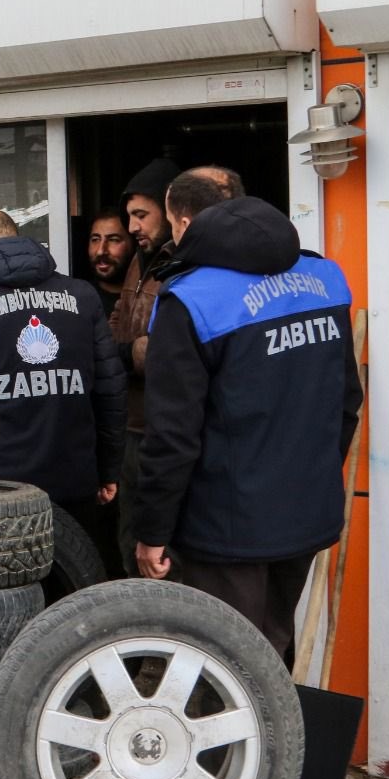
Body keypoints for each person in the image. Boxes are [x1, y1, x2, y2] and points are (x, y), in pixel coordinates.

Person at [133, 179, 362, 665]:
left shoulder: (190, 298)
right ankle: (279, 741)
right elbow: (346, 402)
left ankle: (241, 744)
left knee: (222, 670)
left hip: (225, 528)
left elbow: (172, 436)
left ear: (184, 224)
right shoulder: (324, 278)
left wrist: (153, 530)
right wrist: (313, 476)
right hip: (305, 513)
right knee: (273, 650)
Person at [0, 210, 124, 553]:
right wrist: (107, 470)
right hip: (75, 482)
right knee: (79, 594)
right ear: (16, 238)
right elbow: (110, 390)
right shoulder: (82, 296)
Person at [111, 163, 243, 574]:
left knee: (167, 553)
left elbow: (162, 356)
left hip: (169, 430)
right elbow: (116, 327)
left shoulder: (188, 271)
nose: (133, 226)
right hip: (132, 425)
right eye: (128, 216)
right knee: (130, 541)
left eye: (142, 215)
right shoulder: (141, 260)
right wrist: (127, 350)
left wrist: (125, 354)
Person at [85, 210, 134, 317]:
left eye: (113, 240)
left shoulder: (145, 302)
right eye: (95, 239)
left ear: (133, 244)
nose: (101, 251)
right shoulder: (79, 299)